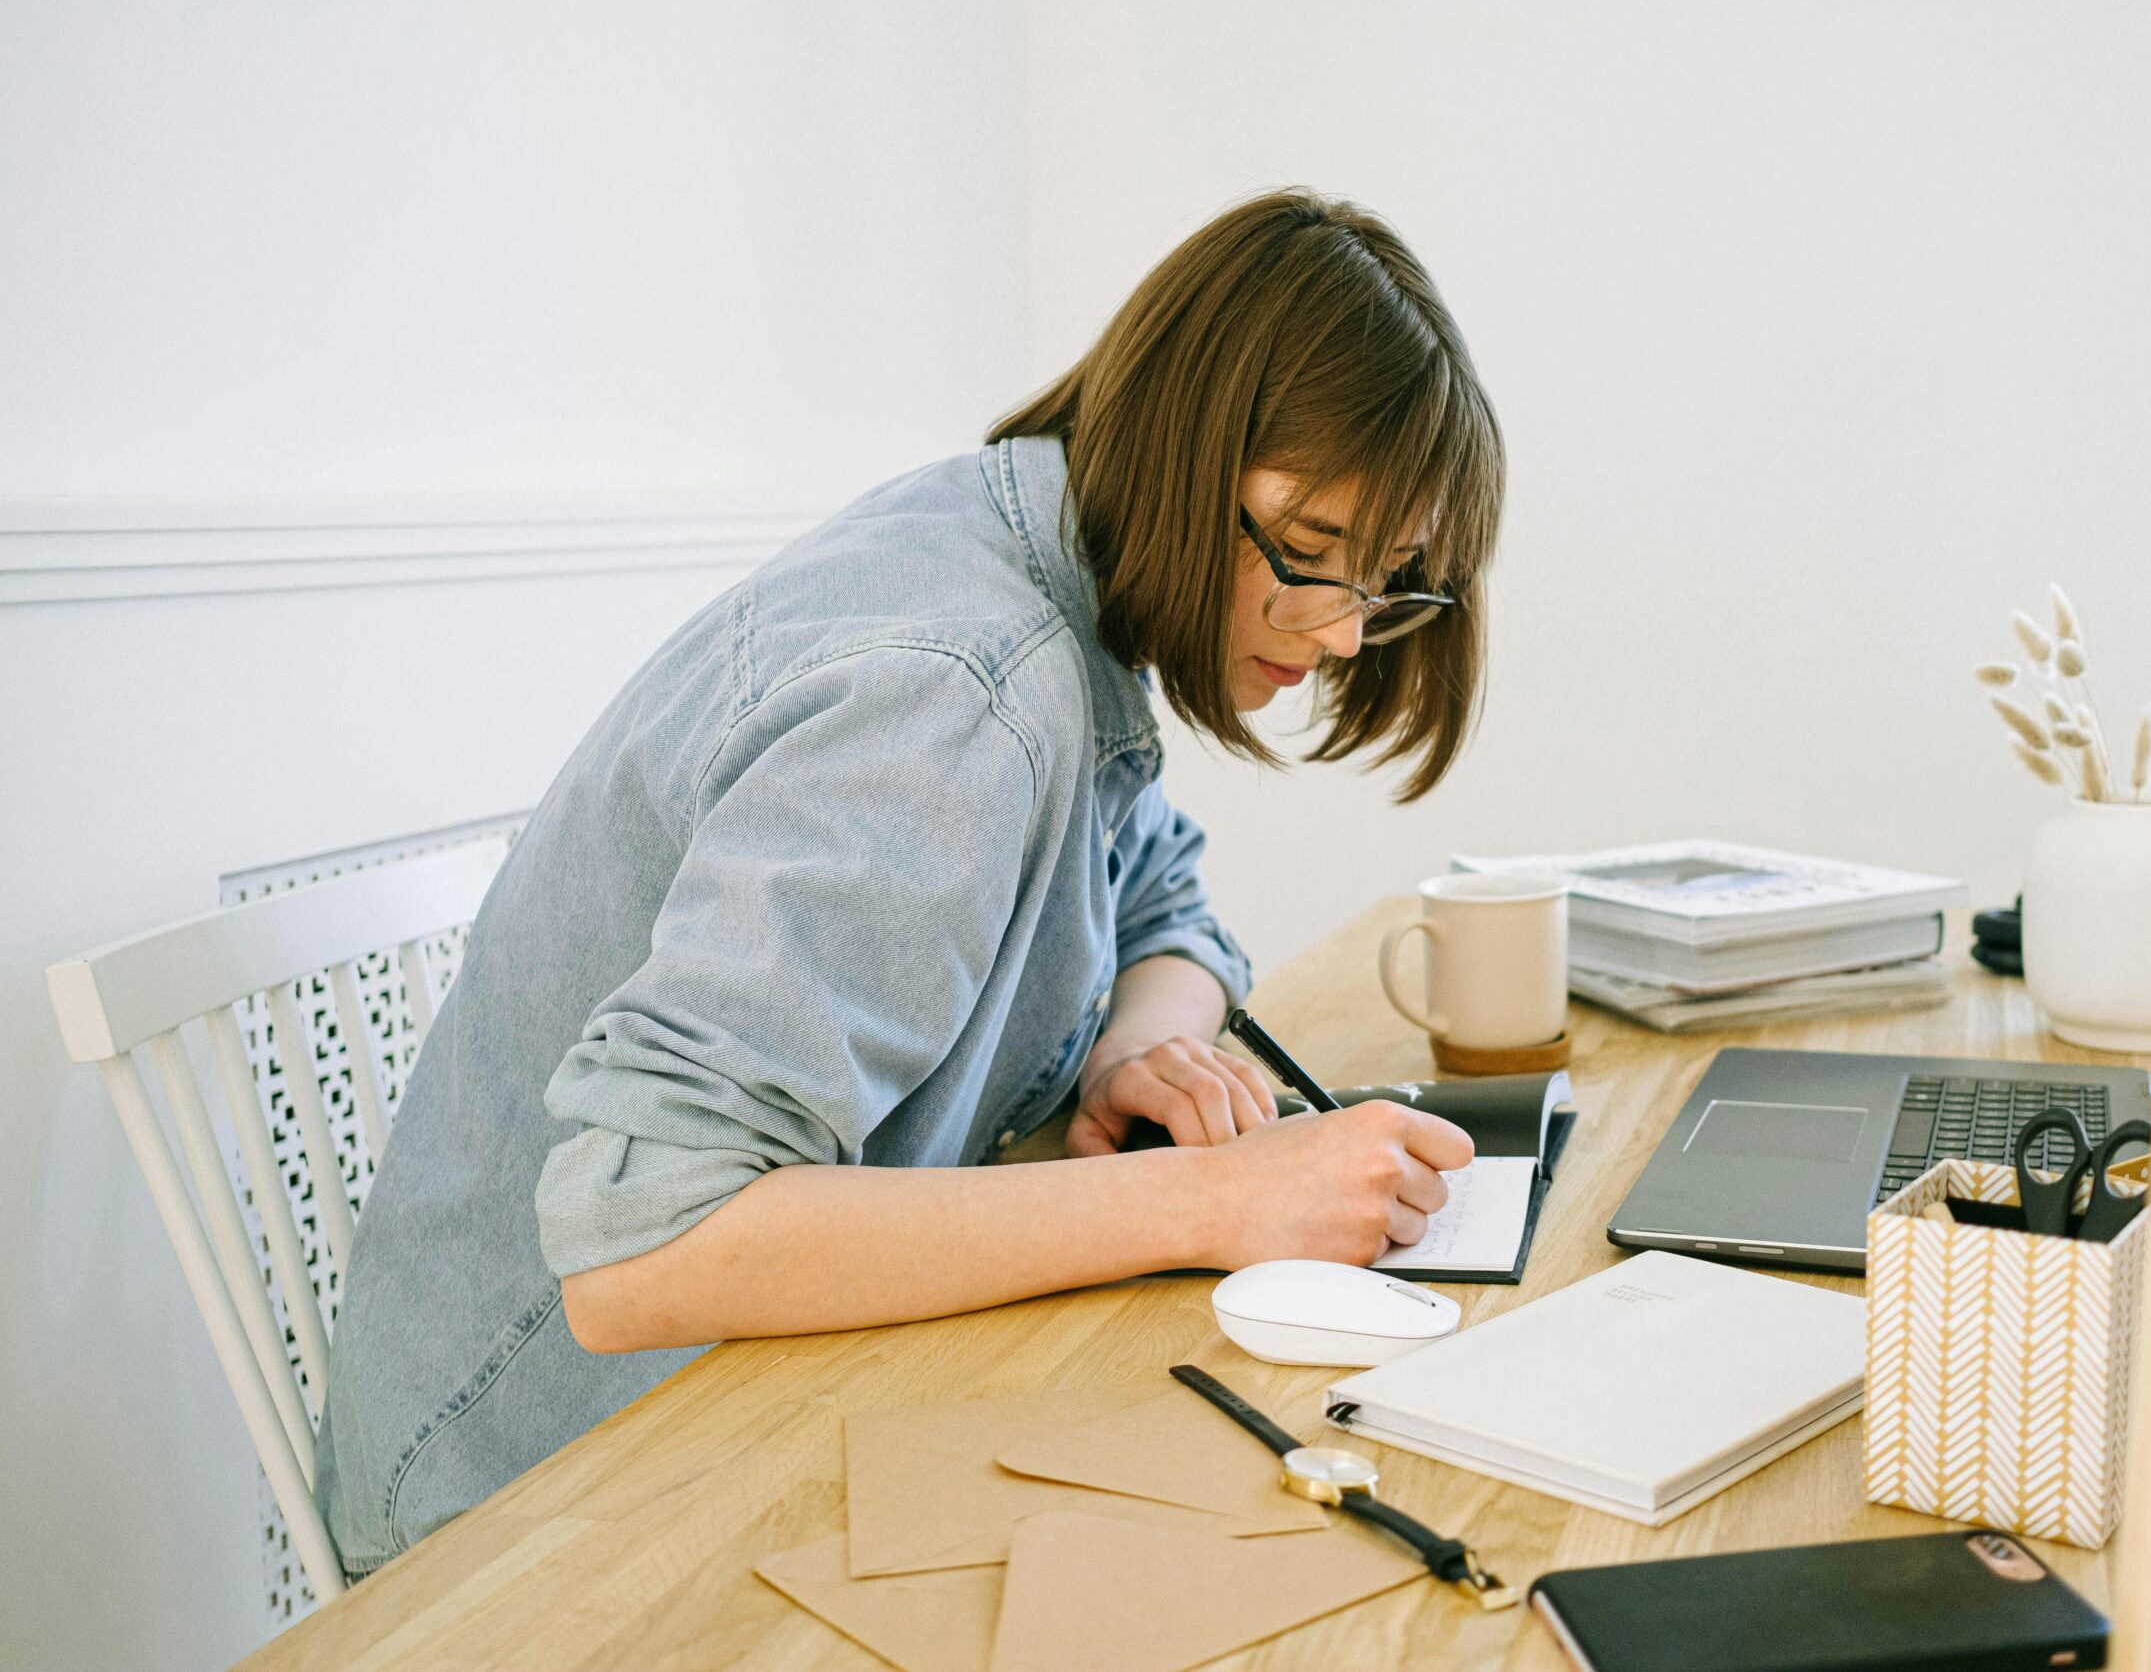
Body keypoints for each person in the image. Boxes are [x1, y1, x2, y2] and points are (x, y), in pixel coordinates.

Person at [314, 189, 1505, 1574]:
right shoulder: (960, 692)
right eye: (1310, 555)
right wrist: (1216, 1202)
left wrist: (1150, 1051)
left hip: (743, 1401)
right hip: (536, 1499)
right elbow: (643, 1243)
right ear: (1190, 445)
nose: (1347, 634)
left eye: (1385, 585)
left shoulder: (1043, 564)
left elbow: (1162, 898)